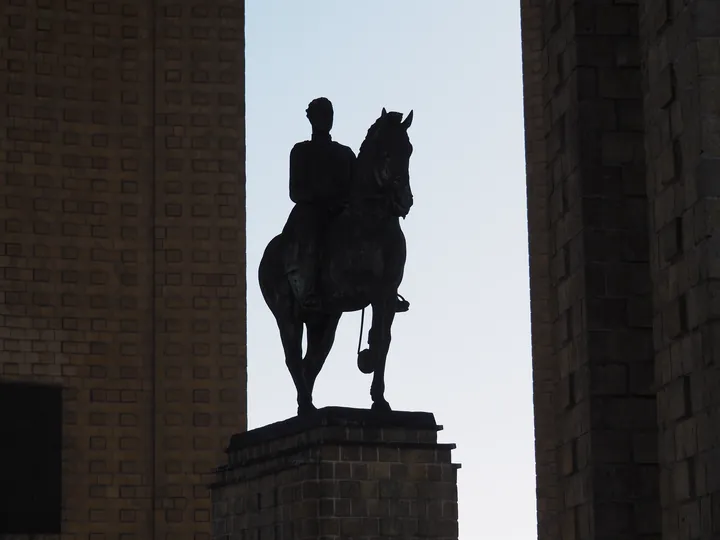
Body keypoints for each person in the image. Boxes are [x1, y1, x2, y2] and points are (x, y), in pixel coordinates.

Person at [282, 97, 356, 310]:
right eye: (321, 115)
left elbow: (358, 186)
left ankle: (384, 285)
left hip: (341, 211)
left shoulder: (345, 153)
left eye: (329, 115)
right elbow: (295, 191)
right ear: (311, 119)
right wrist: (323, 199)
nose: (326, 119)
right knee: (309, 235)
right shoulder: (301, 151)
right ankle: (309, 286)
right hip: (312, 211)